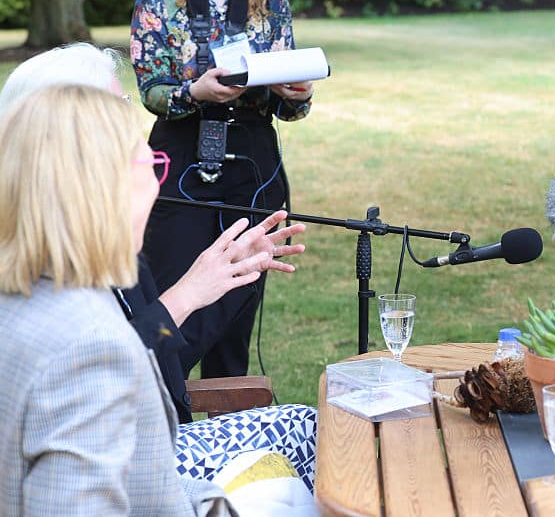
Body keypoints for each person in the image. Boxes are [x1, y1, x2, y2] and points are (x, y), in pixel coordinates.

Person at [0, 43, 318, 491]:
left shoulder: (87, 250)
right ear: (69, 141)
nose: (148, 163)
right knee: (309, 432)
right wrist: (184, 295)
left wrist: (219, 281)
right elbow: (104, 375)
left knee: (309, 427)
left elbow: (164, 357)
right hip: (142, 467)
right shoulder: (64, 291)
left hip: (150, 448)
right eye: (116, 110)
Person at [0, 84, 235, 516]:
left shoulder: (32, 293)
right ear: (102, 186)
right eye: (151, 164)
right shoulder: (89, 347)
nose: (157, 184)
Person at [131, 0, 314, 380]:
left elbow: (290, 107)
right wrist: (195, 92)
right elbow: (151, 90)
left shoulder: (273, 3)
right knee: (170, 300)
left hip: (253, 168)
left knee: (235, 316)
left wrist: (298, 94)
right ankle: (155, 400)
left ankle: (225, 421)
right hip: (179, 164)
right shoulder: (156, 0)